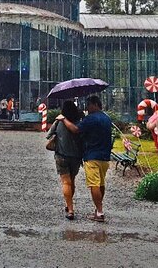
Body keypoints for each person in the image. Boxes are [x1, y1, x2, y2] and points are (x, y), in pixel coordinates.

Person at [58, 95, 112, 223]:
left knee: (94, 184)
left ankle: (99, 212)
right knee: (101, 183)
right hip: (105, 156)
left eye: (88, 105)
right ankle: (97, 209)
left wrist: (64, 119)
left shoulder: (90, 119)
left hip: (92, 155)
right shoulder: (107, 118)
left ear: (94, 104)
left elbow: (76, 130)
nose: (87, 108)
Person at [46, 100, 83, 220]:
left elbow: (49, 135)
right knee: (72, 181)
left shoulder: (59, 121)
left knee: (66, 182)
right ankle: (69, 205)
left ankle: (70, 209)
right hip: (76, 156)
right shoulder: (79, 122)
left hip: (61, 155)